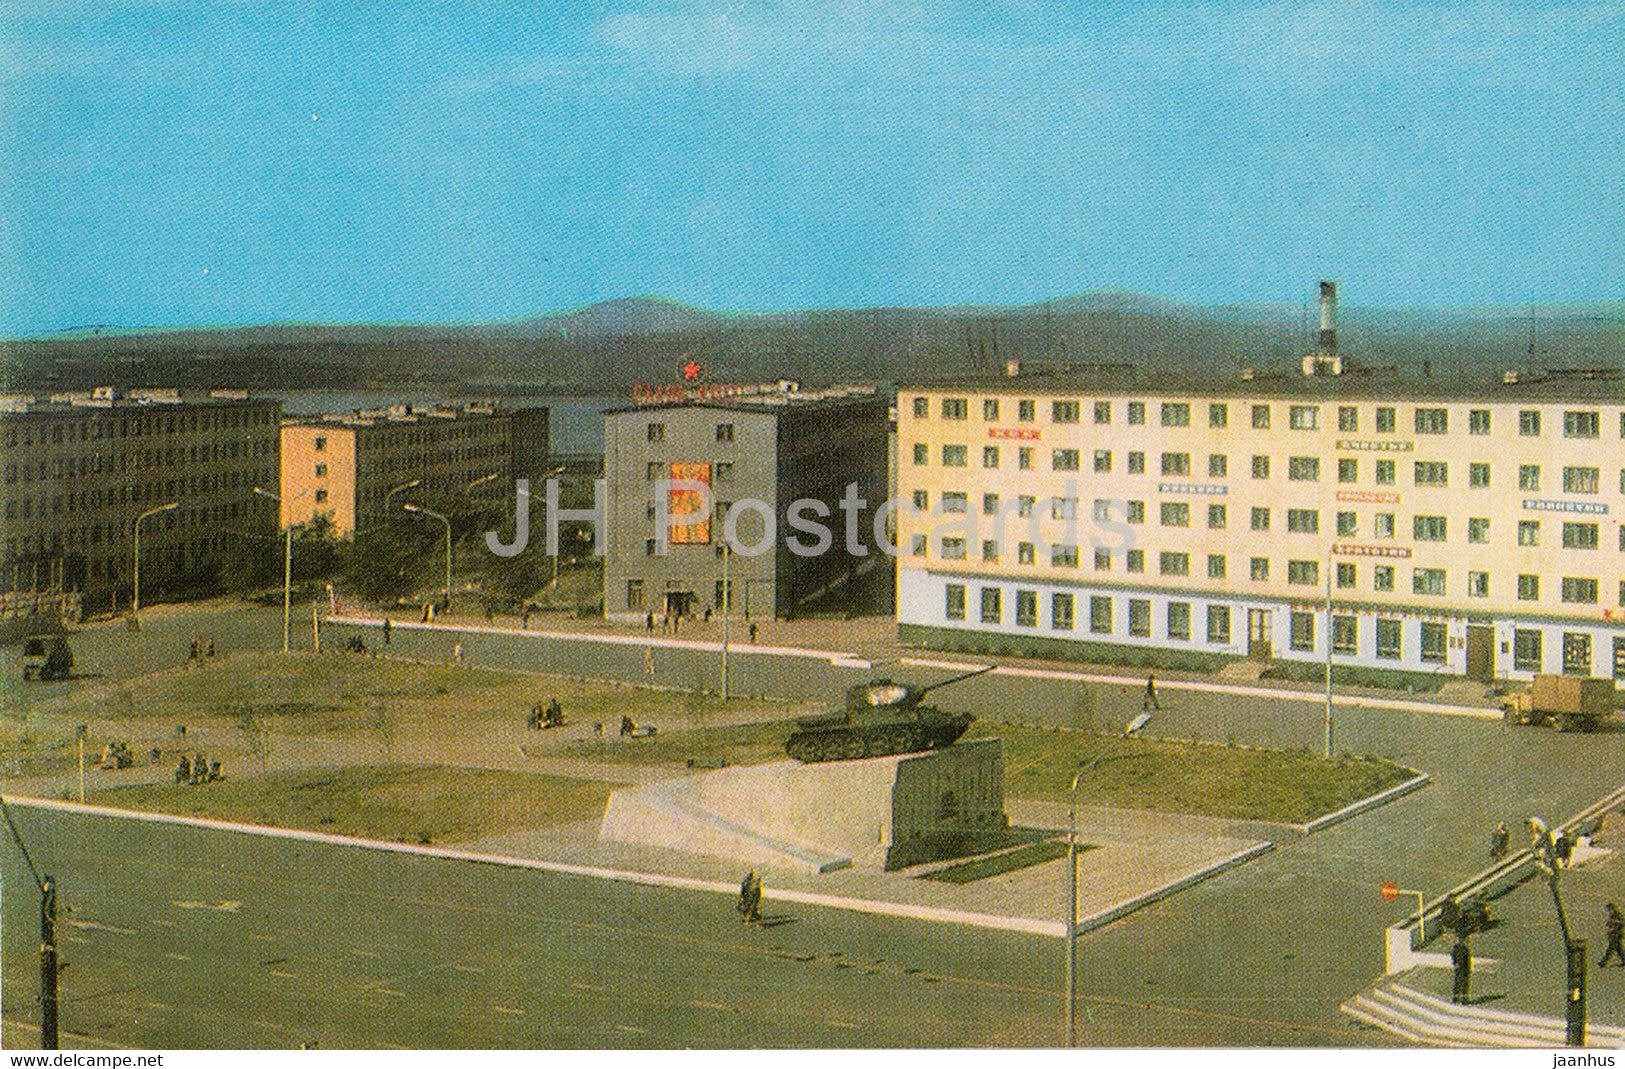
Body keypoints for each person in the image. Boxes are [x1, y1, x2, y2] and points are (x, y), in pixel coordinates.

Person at [1451, 937, 1472, 1004]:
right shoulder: (1459, 948)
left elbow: (1468, 959)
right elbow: (1454, 956)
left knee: (1463, 983)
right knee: (1460, 982)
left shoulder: (1464, 948)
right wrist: (1455, 963)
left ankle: (1463, 998)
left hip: (1464, 967)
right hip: (1461, 967)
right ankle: (1458, 998)